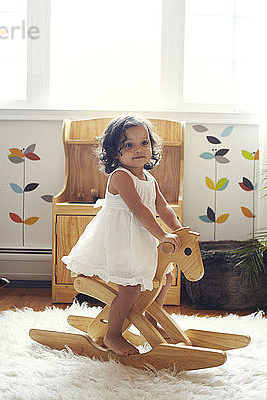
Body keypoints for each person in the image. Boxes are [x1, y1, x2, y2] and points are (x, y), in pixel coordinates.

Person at [61, 115, 182, 356]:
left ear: (151, 146)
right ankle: (112, 335)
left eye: (144, 143)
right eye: (129, 145)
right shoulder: (120, 176)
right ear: (115, 152)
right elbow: (139, 210)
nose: (138, 149)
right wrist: (162, 236)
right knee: (130, 289)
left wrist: (179, 231)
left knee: (165, 278)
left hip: (142, 238)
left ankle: (151, 321)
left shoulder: (149, 178)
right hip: (122, 241)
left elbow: (163, 208)